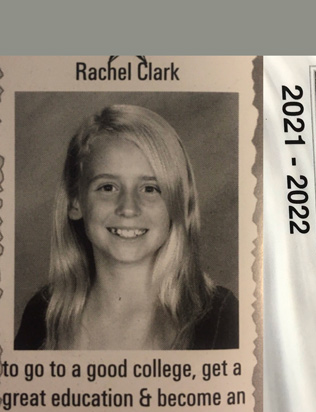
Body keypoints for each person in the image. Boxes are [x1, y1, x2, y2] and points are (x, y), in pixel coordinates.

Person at [15, 104, 238, 350]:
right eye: (108, 187)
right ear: (75, 202)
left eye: (150, 189)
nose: (128, 208)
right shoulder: (43, 314)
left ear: (177, 202)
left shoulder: (218, 315)